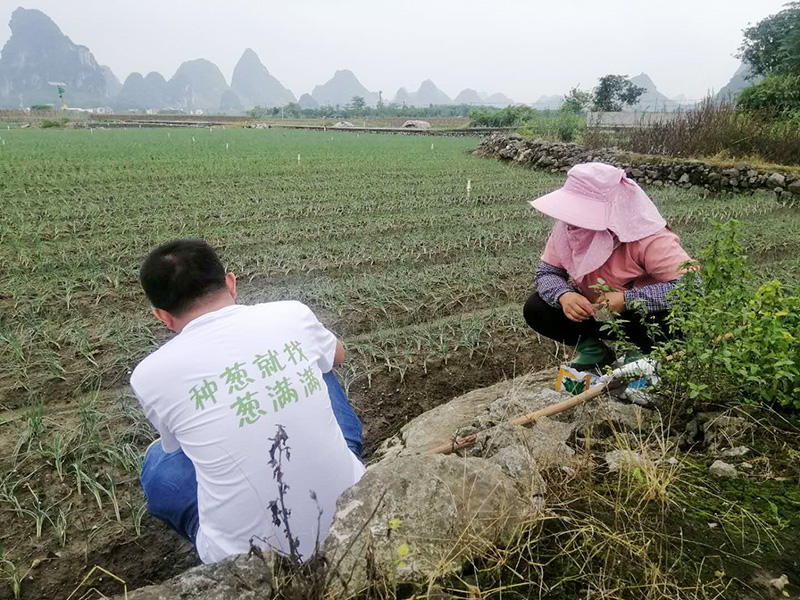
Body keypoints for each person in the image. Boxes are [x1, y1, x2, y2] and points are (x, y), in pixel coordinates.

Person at [130, 239, 365, 564]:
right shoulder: (292, 314)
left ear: (163, 316)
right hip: (353, 506)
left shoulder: (149, 375)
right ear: (230, 282)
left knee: (158, 463)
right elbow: (338, 355)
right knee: (321, 364)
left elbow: (177, 448)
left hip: (248, 562)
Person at [523, 162, 694, 371]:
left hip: (643, 318)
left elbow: (691, 288)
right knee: (537, 307)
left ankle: (648, 355)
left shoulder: (648, 237)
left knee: (668, 321)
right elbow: (547, 272)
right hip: (597, 313)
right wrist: (564, 295)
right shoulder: (568, 229)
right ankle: (594, 351)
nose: (573, 220)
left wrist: (627, 300)